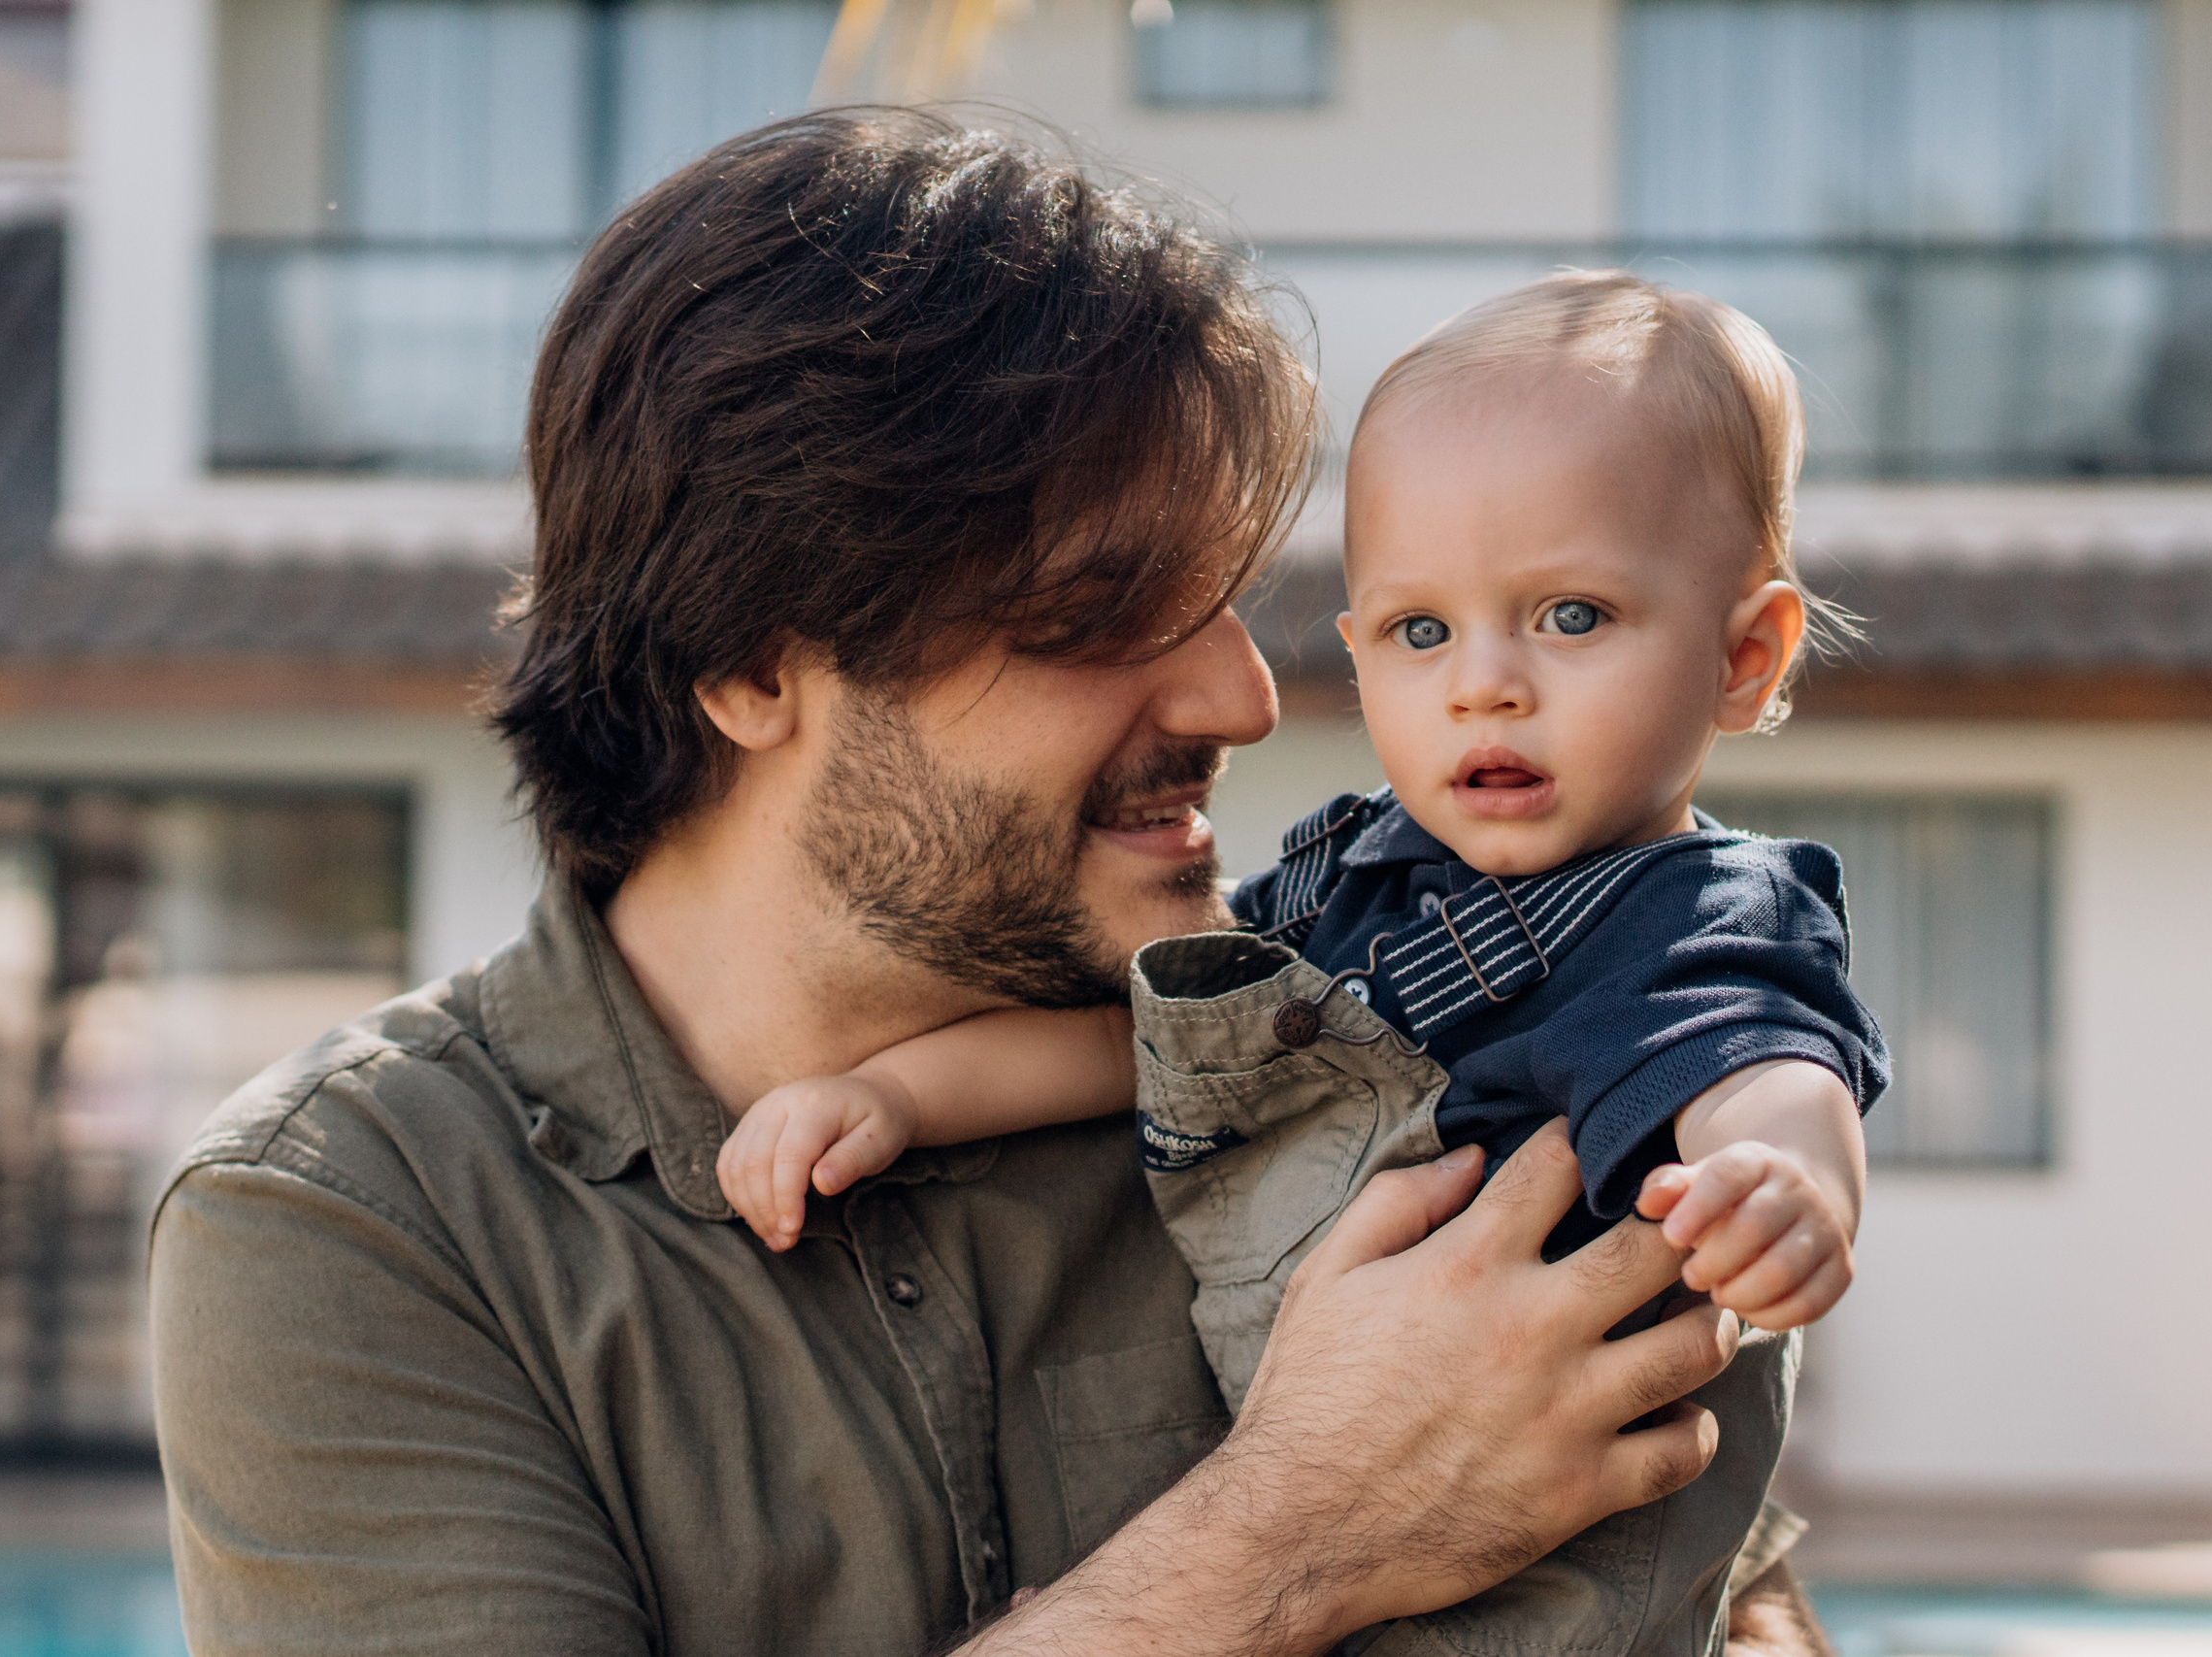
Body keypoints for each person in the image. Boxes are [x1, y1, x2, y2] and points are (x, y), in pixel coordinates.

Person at [149, 115, 1835, 1656]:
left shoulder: (1304, 1037)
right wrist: (1298, 1530)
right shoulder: (357, 1224)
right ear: (751, 665)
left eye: (1231, 601)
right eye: (1103, 616)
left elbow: (1737, 1606)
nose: (1246, 700)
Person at [720, 273, 1888, 1656]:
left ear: (1745, 658)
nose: (1484, 684)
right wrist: (899, 1097)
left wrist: (1789, 1186)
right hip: (1337, 1547)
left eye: (1571, 617)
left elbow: (1766, 1068)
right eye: (1420, 632)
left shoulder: (1694, 915)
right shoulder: (1351, 880)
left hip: (1561, 1586)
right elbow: (1143, 1041)